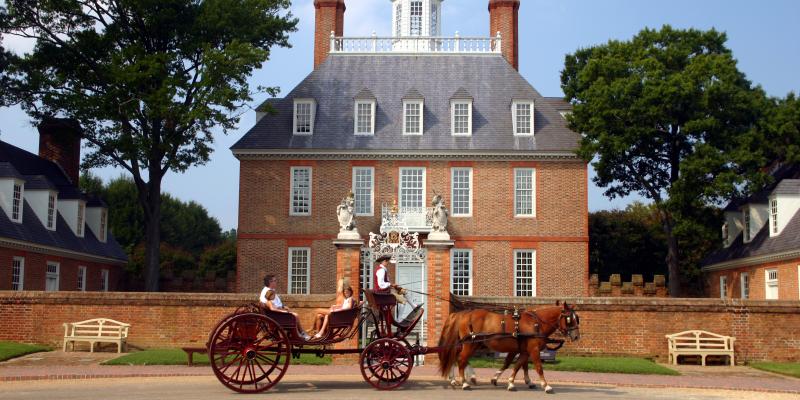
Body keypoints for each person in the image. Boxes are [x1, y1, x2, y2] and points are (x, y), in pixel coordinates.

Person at [259, 274, 311, 340]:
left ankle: (300, 333)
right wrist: (284, 311)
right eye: (275, 281)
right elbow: (267, 305)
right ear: (270, 282)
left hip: (277, 312)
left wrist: (283, 306)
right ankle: (301, 334)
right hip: (276, 315)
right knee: (295, 316)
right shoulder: (267, 292)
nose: (276, 282)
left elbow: (275, 303)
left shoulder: (270, 290)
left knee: (294, 314)